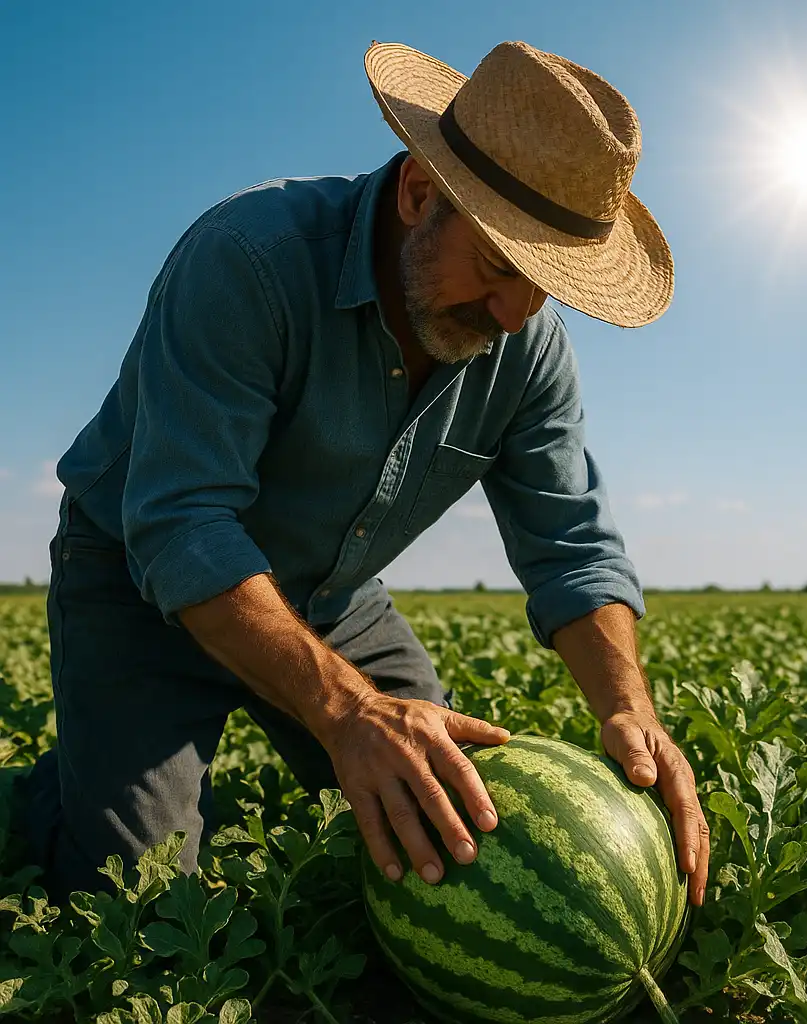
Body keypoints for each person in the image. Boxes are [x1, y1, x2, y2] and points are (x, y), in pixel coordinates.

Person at [20, 39, 710, 906]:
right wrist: (348, 714)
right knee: (140, 904)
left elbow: (570, 543)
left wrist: (628, 710)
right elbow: (183, 524)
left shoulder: (525, 346)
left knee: (450, 833)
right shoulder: (251, 259)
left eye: (546, 288)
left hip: (327, 590)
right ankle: (63, 793)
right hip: (135, 578)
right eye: (502, 269)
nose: (514, 315)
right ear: (421, 191)